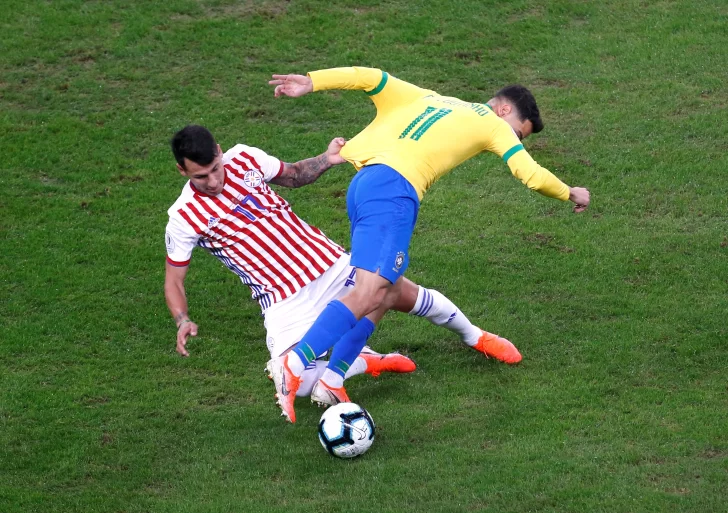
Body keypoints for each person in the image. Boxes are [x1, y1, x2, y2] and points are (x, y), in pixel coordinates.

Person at [267, 66, 591, 422]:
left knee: (385, 292)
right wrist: (570, 191)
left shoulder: (430, 98)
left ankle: (332, 378)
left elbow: (371, 78)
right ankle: (294, 364)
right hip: (394, 194)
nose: (515, 138)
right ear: (503, 110)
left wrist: (313, 81)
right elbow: (529, 174)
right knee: (367, 290)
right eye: (518, 132)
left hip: (365, 186)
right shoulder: (493, 124)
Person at [164, 125, 520, 419]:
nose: (213, 180)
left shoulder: (244, 157)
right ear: (182, 170)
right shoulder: (183, 217)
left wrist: (327, 158)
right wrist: (182, 319)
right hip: (281, 299)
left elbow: (292, 175)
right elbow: (174, 281)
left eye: (215, 168)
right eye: (201, 176)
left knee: (397, 291)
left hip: (329, 264)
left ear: (221, 151)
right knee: (297, 384)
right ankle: (364, 360)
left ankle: (474, 336)